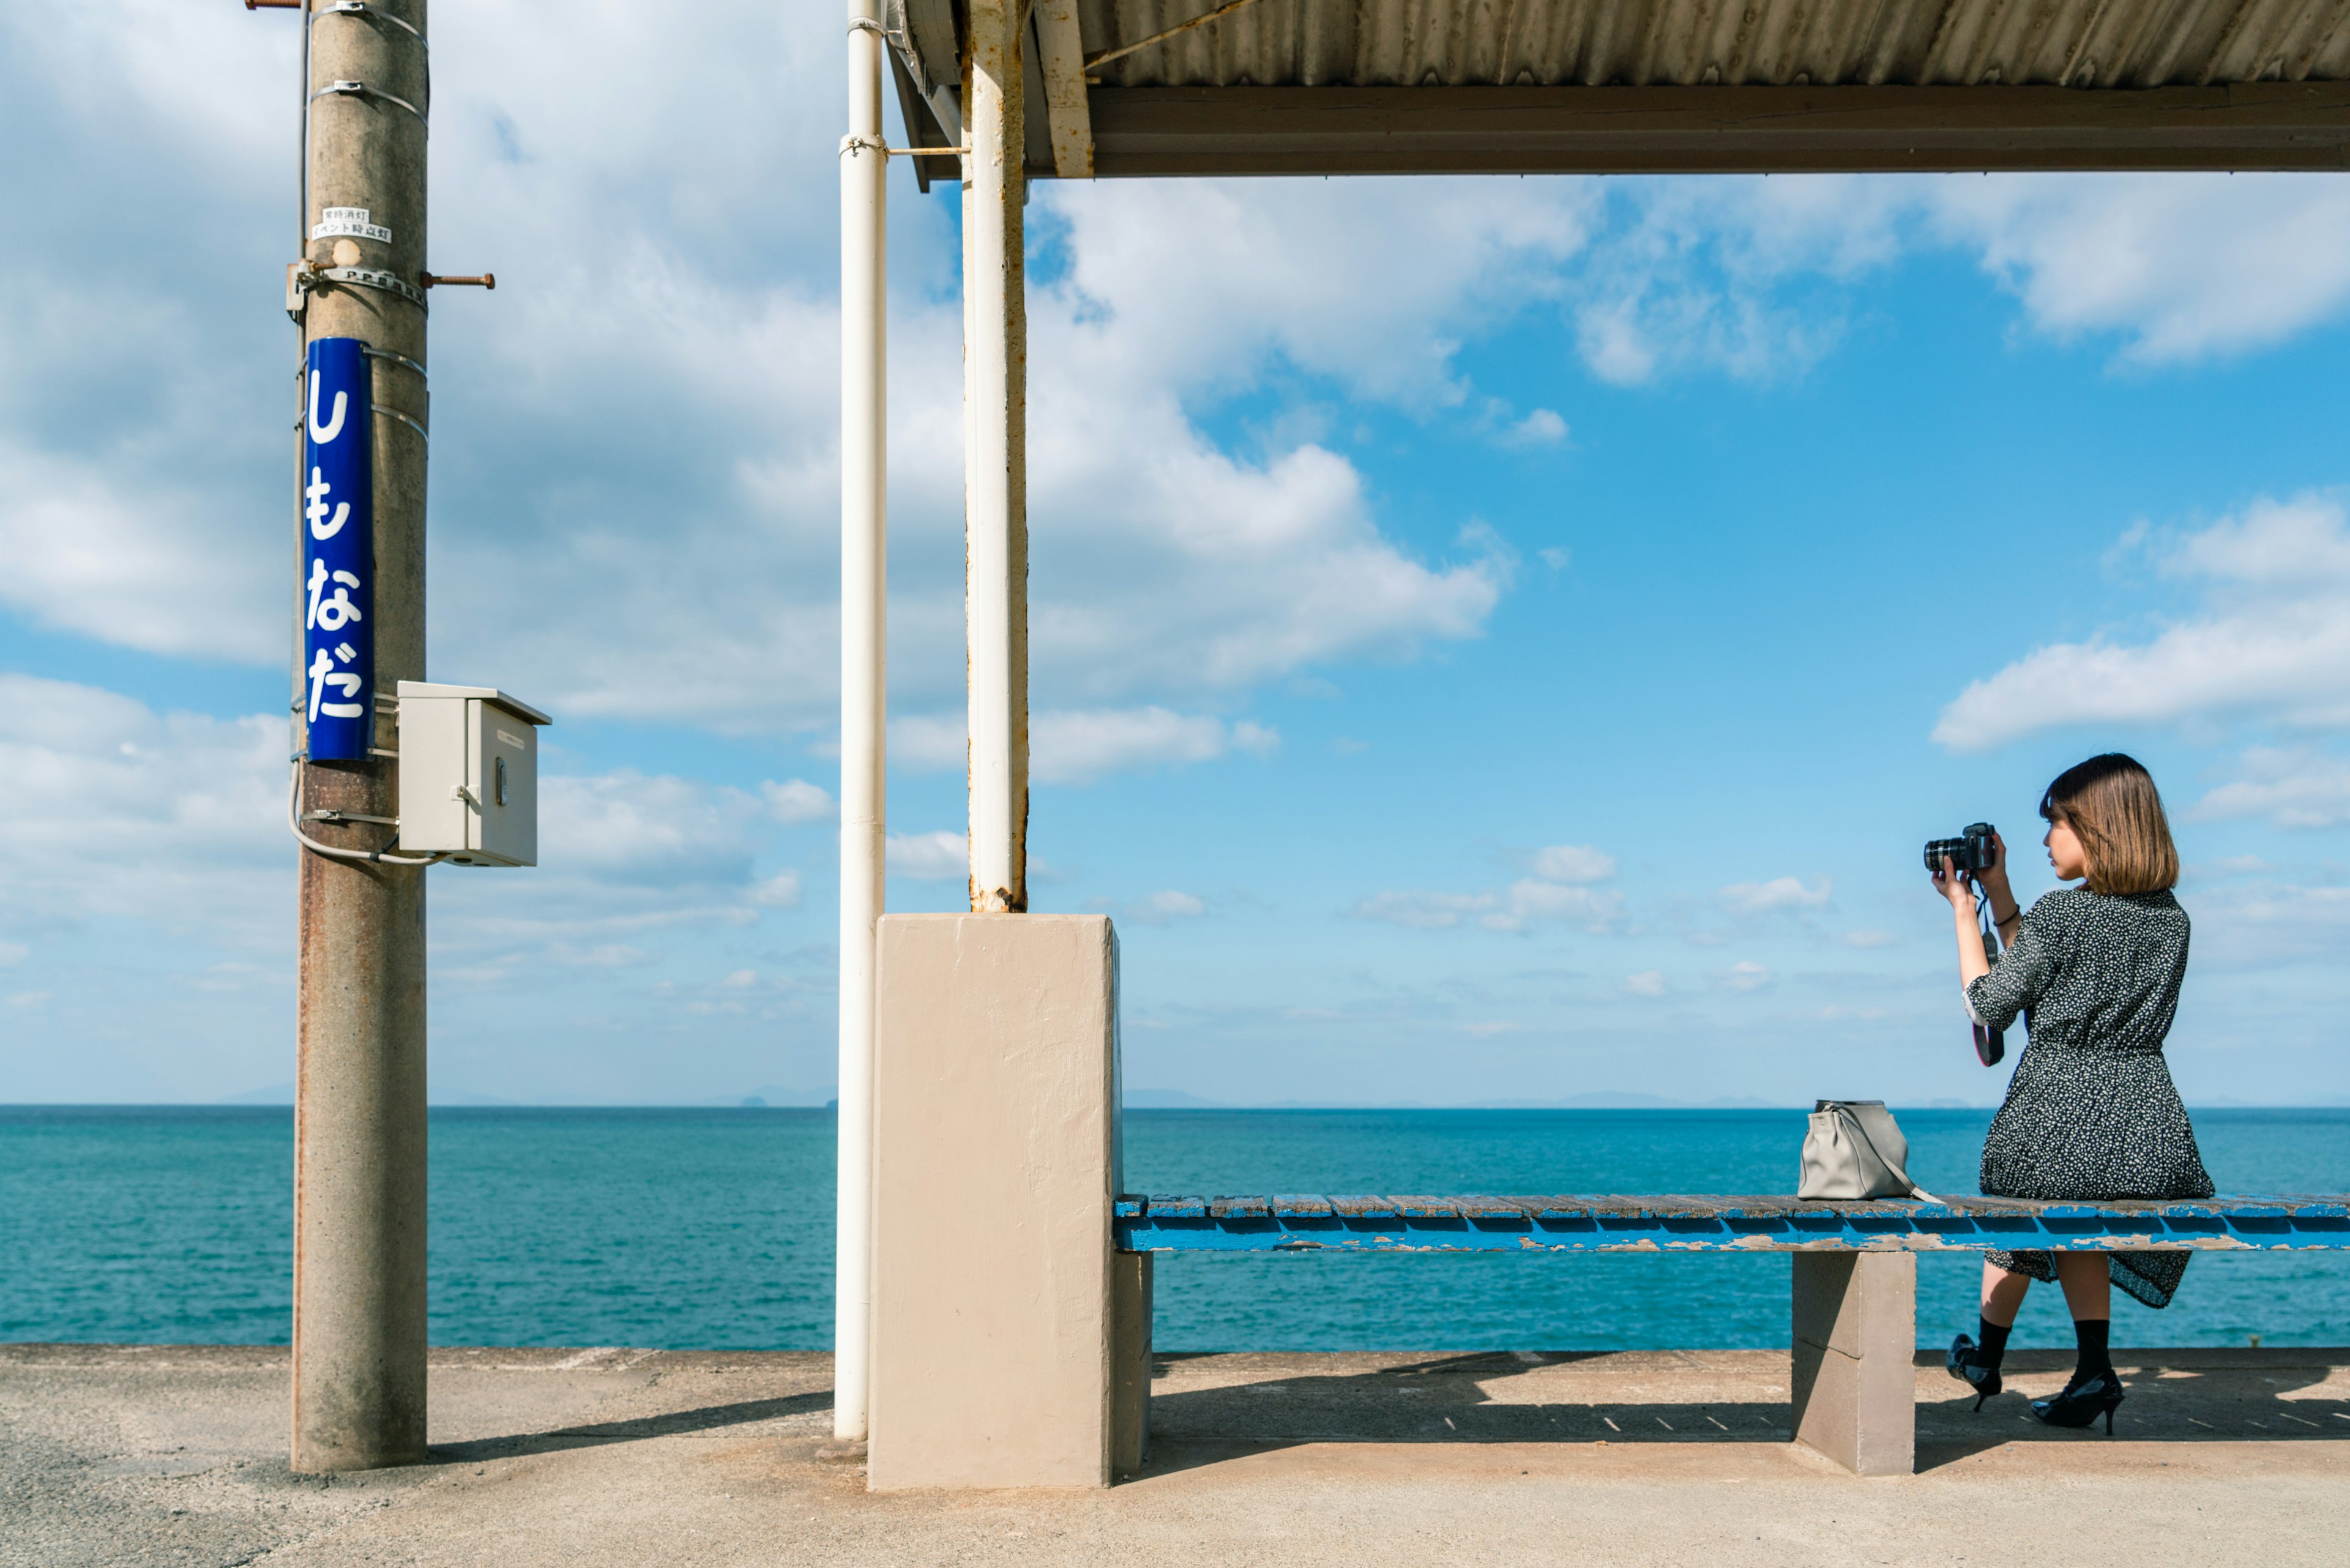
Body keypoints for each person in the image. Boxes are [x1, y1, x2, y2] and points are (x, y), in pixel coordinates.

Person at [1932, 753, 2213, 1433]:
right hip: (2149, 1131)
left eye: (2057, 823)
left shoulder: (2063, 915)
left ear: (2099, 828)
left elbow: (1992, 1001)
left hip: (2056, 1112)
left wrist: (1964, 910)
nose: (2047, 839)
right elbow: (2056, 969)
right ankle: (2092, 1371)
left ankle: (1986, 1357)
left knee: (2021, 1195)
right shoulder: (2171, 920)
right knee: (2075, 1214)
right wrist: (2002, 892)